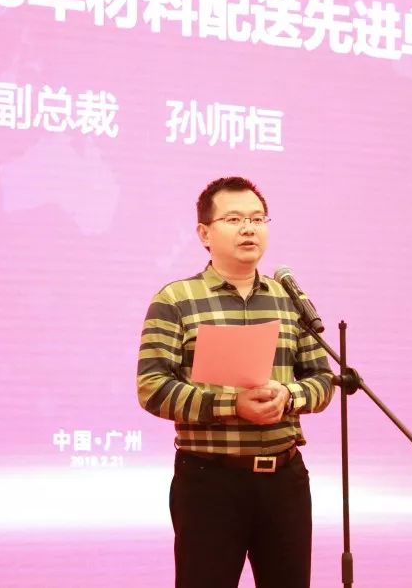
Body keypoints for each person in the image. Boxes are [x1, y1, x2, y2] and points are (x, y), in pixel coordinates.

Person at [137, 176, 335, 588]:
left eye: (257, 219)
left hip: (284, 480)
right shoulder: (176, 300)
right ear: (204, 234)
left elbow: (323, 379)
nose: (249, 229)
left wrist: (289, 395)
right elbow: (153, 387)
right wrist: (232, 405)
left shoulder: (290, 300)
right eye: (234, 219)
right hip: (209, 482)